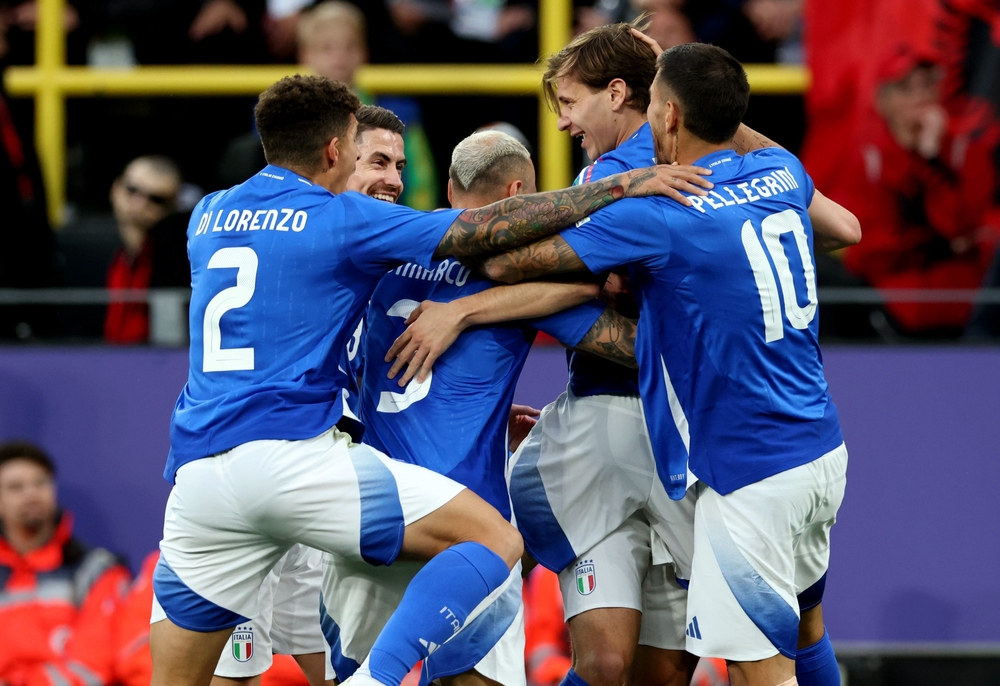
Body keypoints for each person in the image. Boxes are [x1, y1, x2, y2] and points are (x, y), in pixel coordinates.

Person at [149, 73, 709, 686]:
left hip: (207, 474)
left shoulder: (210, 214)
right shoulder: (356, 228)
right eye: (372, 159)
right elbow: (490, 245)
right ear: (337, 152)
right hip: (329, 479)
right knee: (497, 542)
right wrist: (621, 196)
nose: (387, 177)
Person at [478, 42, 861, 686]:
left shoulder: (656, 210)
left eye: (656, 102)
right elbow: (846, 227)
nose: (564, 121)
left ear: (665, 113)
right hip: (819, 444)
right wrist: (702, 86)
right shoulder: (781, 171)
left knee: (758, 672)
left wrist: (463, 311)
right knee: (801, 626)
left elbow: (503, 264)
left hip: (744, 466)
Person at [322, 128, 640, 686]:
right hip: (469, 533)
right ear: (521, 194)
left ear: (447, 189)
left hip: (368, 512)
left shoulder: (376, 262)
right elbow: (639, 352)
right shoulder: (523, 280)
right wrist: (597, 283)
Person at [0, 440, 131, 686]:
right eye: (16, 487)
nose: (31, 493)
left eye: (40, 482)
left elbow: (93, 667)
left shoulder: (98, 570)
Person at [297, 2, 438, 209]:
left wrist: (416, 228)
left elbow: (421, 184)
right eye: (326, 48)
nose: (339, 57)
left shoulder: (400, 116)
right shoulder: (287, 120)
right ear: (305, 55)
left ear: (364, 52)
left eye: (349, 46)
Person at [104, 155, 186, 344]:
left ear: (172, 206)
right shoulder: (104, 258)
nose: (140, 204)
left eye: (156, 199)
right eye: (132, 190)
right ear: (115, 188)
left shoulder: (179, 264)